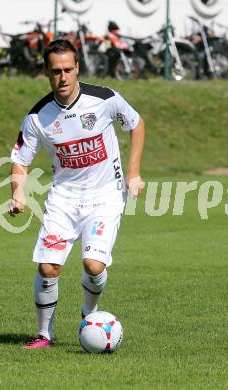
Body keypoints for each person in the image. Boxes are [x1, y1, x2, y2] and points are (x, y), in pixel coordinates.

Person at [9, 39, 145, 349]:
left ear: (77, 68)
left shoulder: (105, 99)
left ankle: (90, 314)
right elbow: (19, 161)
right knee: (48, 267)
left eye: (68, 69)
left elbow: (136, 125)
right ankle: (44, 334)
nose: (63, 77)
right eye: (56, 71)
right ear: (46, 71)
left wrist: (134, 173)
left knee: (93, 266)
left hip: (106, 195)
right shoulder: (37, 118)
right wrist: (18, 193)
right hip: (63, 199)